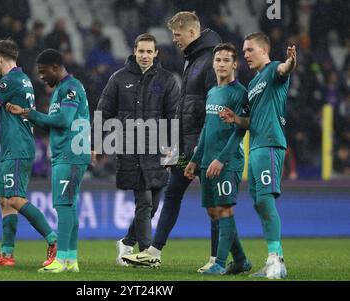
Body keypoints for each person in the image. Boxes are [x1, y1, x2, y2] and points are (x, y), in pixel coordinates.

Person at [121, 11, 222, 268]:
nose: (174, 40)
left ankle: (217, 259)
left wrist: (202, 146)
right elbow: (182, 109)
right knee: (173, 194)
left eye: (177, 35)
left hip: (205, 144)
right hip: (186, 145)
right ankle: (153, 252)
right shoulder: (193, 58)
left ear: (191, 32)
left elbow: (215, 106)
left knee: (214, 203)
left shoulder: (211, 60)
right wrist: (173, 150)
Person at [94, 33, 179, 267]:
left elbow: (173, 118)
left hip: (157, 152)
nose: (144, 55)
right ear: (134, 51)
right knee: (144, 203)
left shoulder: (167, 80)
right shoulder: (118, 79)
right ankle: (147, 254)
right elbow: (103, 111)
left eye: (149, 51)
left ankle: (127, 241)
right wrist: (95, 143)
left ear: (156, 53)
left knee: (153, 206)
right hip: (131, 149)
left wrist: (173, 151)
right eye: (141, 51)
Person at [219, 33, 297, 279]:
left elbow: (286, 69)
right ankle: (277, 260)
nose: (245, 54)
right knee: (258, 202)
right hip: (256, 147)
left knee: (265, 201)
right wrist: (236, 120)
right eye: (244, 51)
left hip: (270, 145)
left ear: (264, 50)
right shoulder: (253, 85)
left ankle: (274, 260)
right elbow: (251, 121)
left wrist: (291, 61)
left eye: (249, 50)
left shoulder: (273, 69)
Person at [6, 49, 91, 273]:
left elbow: (63, 121)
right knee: (70, 207)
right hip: (68, 154)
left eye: (44, 72)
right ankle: (71, 260)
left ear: (55, 68)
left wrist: (31, 113)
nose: (42, 77)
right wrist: (25, 113)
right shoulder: (62, 89)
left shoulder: (70, 88)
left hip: (69, 154)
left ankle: (60, 260)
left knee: (63, 206)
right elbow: (54, 122)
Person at [0, 39, 57, 267]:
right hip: (13, 146)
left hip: (18, 147)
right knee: (4, 200)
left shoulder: (10, 80)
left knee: (14, 198)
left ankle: (53, 241)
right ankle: (6, 254)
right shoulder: (23, 79)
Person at [183, 43, 251, 275]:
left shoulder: (240, 93)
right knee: (213, 212)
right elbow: (207, 129)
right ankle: (241, 260)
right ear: (213, 64)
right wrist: (195, 158)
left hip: (227, 162)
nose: (221, 64)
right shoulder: (212, 92)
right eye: (218, 60)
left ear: (235, 64)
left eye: (226, 60)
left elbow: (239, 132)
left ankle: (220, 263)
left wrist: (221, 159)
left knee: (224, 210)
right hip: (206, 162)